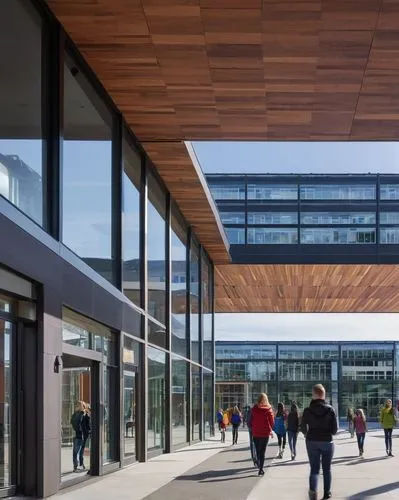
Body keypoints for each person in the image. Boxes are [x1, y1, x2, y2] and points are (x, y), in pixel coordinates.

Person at [301, 384, 338, 500]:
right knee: (327, 469)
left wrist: (308, 434)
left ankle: (313, 494)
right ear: (324, 394)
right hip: (327, 441)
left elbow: (302, 428)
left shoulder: (307, 410)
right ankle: (327, 493)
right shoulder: (330, 409)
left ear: (313, 395)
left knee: (314, 469)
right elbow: (334, 430)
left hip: (312, 441)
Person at [251, 393, 275, 476]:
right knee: (262, 451)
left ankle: (258, 462)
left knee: (258, 451)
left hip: (255, 433)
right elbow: (272, 422)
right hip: (264, 434)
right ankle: (261, 469)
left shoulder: (254, 408)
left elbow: (251, 420)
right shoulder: (269, 409)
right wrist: (269, 429)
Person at [71, 401, 85, 472]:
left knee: (77, 452)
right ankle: (77, 466)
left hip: (79, 435)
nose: (77, 406)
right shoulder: (77, 414)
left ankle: (79, 466)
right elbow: (74, 422)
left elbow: (76, 423)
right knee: (77, 452)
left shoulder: (80, 414)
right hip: (78, 435)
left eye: (79, 405)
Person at [79, 403, 91, 470]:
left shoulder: (85, 415)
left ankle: (81, 464)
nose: (89, 410)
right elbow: (86, 425)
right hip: (85, 434)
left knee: (82, 449)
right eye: (88, 408)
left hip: (85, 434)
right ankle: (81, 464)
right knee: (82, 449)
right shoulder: (84, 415)